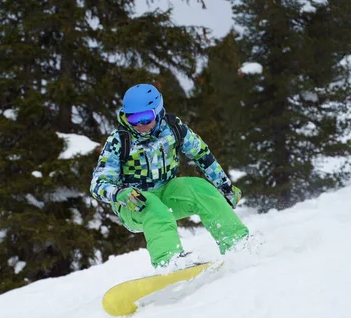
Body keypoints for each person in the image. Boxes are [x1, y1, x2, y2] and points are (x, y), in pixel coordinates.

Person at [90, 83, 249, 268]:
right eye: (133, 118)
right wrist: (119, 194)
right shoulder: (119, 140)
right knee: (154, 207)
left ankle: (237, 243)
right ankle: (169, 261)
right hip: (132, 202)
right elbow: (97, 183)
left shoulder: (173, 129)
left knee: (200, 189)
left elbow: (202, 154)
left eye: (145, 117)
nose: (140, 124)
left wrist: (225, 187)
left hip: (167, 191)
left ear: (157, 112)